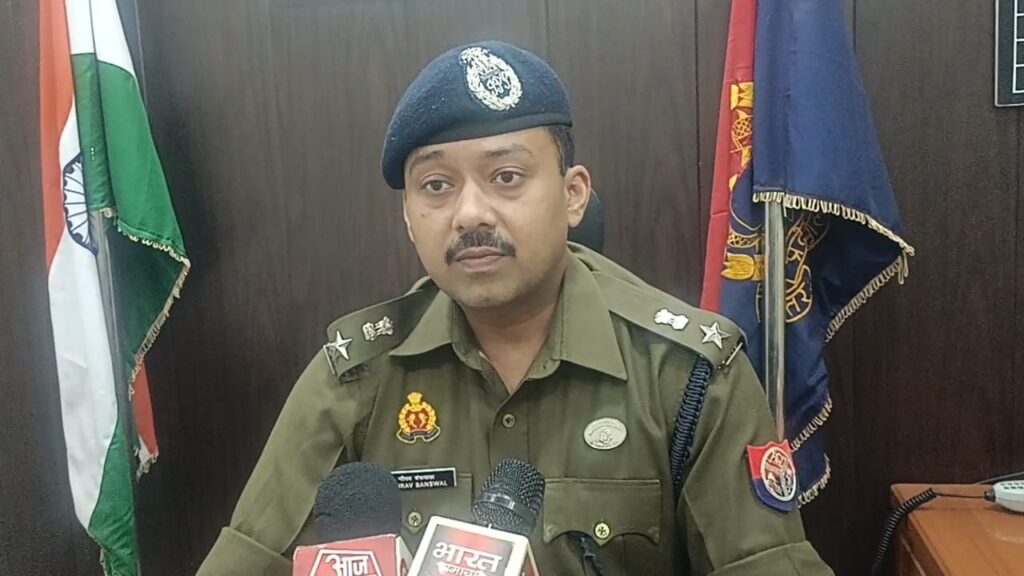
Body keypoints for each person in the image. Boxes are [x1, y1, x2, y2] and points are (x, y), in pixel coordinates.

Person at [197, 41, 833, 575]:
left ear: (573, 195)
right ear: (409, 218)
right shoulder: (356, 375)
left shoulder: (687, 374)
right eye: (436, 186)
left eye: (506, 177)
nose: (469, 214)